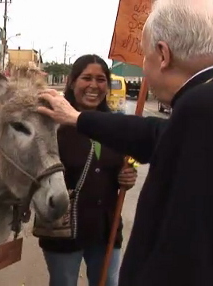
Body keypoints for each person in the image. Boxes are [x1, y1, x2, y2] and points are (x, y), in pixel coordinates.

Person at [36, 0, 213, 285]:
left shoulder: (203, 106)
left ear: (163, 54)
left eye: (145, 56)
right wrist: (78, 119)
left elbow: (188, 247)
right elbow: (155, 135)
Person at [33, 54, 138, 286]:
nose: (94, 85)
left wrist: (127, 178)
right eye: (86, 78)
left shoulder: (116, 125)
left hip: (106, 229)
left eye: (101, 79)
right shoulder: (51, 123)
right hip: (63, 231)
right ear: (72, 82)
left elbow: (119, 170)